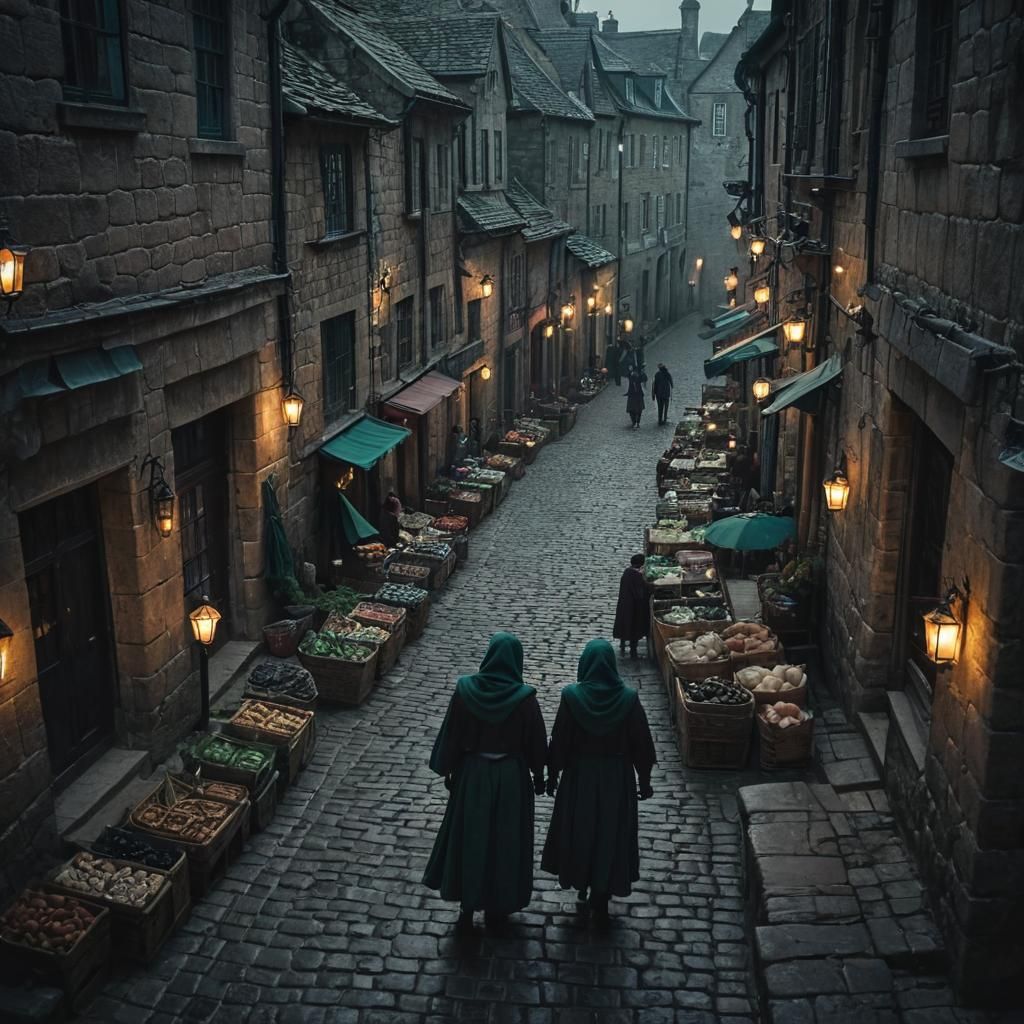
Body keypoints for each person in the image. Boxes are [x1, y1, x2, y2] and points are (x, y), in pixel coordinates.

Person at [423, 632, 548, 933]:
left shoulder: (465, 692)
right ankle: (498, 903)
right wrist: (541, 776)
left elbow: (452, 734)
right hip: (510, 779)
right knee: (504, 842)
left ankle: (467, 903)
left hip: (473, 775)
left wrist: (449, 769)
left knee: (472, 838)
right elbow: (536, 744)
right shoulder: (525, 700)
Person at [541, 639, 657, 924]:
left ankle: (583, 882)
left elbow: (560, 740)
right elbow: (641, 743)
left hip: (580, 776)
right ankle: (601, 893)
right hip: (616, 778)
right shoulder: (628, 699)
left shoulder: (572, 697)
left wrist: (552, 775)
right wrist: (644, 780)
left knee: (581, 831)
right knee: (609, 834)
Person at [613, 554, 653, 657]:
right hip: (635, 608)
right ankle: (633, 651)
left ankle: (622, 644)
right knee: (634, 627)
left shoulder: (627, 572)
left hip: (624, 604)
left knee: (624, 625)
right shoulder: (637, 576)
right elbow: (641, 593)